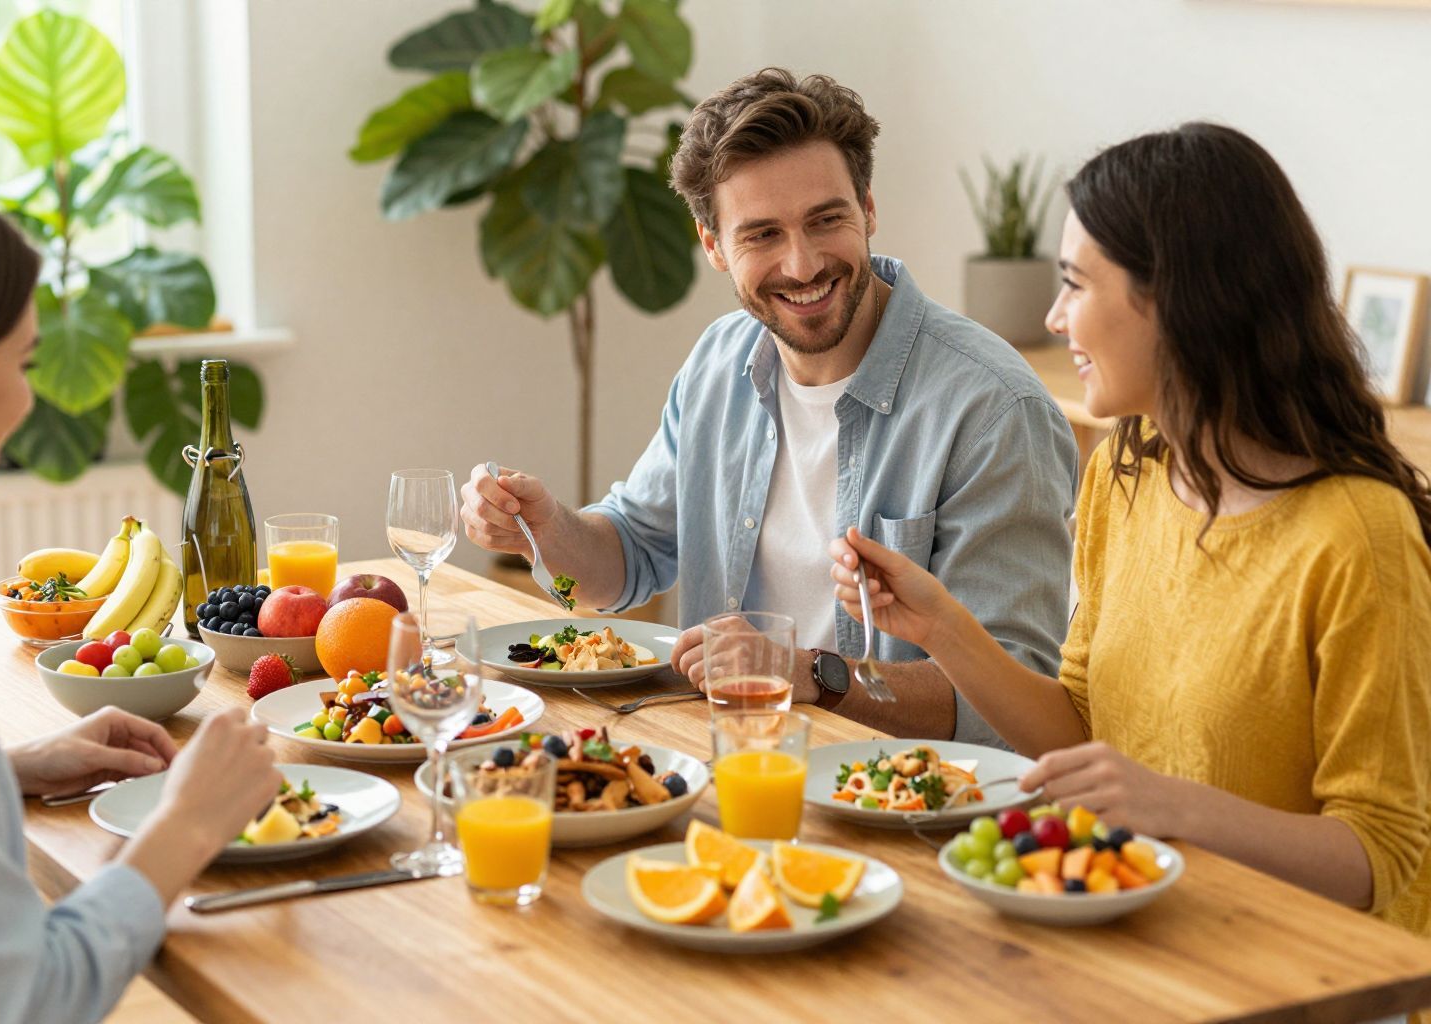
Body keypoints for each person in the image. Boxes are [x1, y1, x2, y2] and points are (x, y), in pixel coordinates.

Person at [829, 123, 1431, 954]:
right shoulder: (1128, 473)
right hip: (1146, 939)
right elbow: (1081, 727)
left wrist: (1173, 806)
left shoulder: (1356, 534)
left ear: (1179, 300)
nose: (1052, 315)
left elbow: (1383, 856)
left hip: (1315, 981)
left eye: (1076, 284)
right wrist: (937, 625)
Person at [461, 69, 1078, 744]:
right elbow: (632, 556)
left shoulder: (993, 410)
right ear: (713, 246)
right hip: (722, 765)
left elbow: (1013, 714)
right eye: (761, 235)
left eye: (826, 219)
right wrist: (550, 529)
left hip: (898, 816)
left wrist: (810, 673)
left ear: (867, 209)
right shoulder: (719, 362)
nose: (803, 263)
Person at [0, 182, 283, 1024]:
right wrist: (184, 827)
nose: (30, 399)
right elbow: (22, 1002)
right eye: (24, 362)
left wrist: (5, 773)